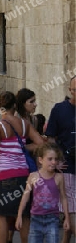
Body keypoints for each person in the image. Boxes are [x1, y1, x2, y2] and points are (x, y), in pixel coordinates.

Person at [0, 91, 44, 243]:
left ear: (0, 107)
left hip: (3, 175)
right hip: (24, 175)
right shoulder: (25, 124)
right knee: (24, 214)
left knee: (2, 216)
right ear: (15, 106)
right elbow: (41, 143)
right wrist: (23, 148)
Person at [16, 142, 70, 243]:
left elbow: (63, 197)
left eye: (56, 159)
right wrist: (19, 216)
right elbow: (25, 196)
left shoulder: (59, 177)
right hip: (35, 219)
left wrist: (66, 218)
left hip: (53, 219)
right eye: (50, 159)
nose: (54, 162)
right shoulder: (33, 176)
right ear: (40, 160)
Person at [45, 75, 76, 243]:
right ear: (70, 91)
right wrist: (55, 161)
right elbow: (50, 138)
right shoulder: (59, 109)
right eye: (75, 90)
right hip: (68, 167)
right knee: (71, 210)